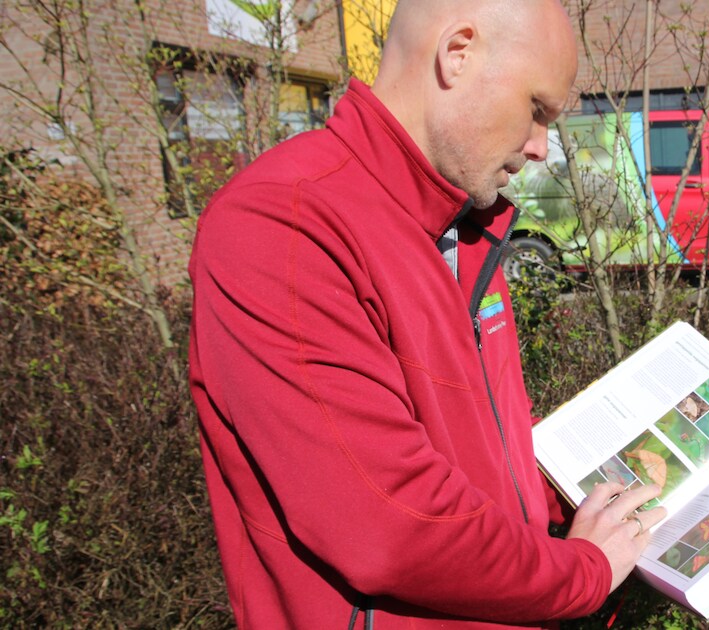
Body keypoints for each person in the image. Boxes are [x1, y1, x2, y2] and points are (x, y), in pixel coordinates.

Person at [187, 0, 666, 627]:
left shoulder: (459, 228)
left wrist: (587, 495)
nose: (541, 146)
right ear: (458, 53)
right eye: (537, 110)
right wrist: (584, 571)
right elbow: (390, 525)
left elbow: (475, 440)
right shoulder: (287, 225)